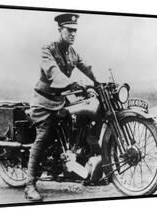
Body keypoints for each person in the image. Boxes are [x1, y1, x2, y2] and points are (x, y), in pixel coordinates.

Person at [24, 13, 99, 201]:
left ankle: (80, 164)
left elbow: (87, 67)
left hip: (60, 100)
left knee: (81, 120)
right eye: (69, 30)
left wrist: (99, 82)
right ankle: (30, 185)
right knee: (44, 136)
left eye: (75, 31)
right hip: (43, 102)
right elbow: (53, 73)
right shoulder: (47, 49)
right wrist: (71, 83)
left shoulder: (72, 52)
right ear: (60, 30)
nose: (73, 34)